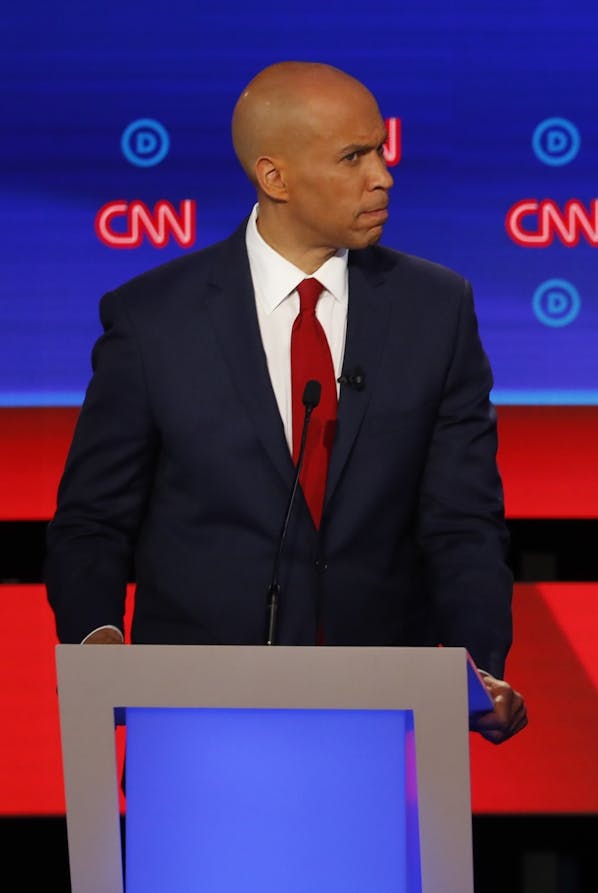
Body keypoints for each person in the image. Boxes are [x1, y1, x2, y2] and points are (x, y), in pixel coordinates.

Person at [46, 61, 525, 743]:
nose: (383, 176)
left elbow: (463, 522)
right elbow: (92, 521)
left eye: (382, 151)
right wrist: (98, 643)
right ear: (275, 177)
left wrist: (480, 663)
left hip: (378, 719)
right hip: (194, 722)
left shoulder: (436, 310)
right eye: (355, 156)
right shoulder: (154, 319)